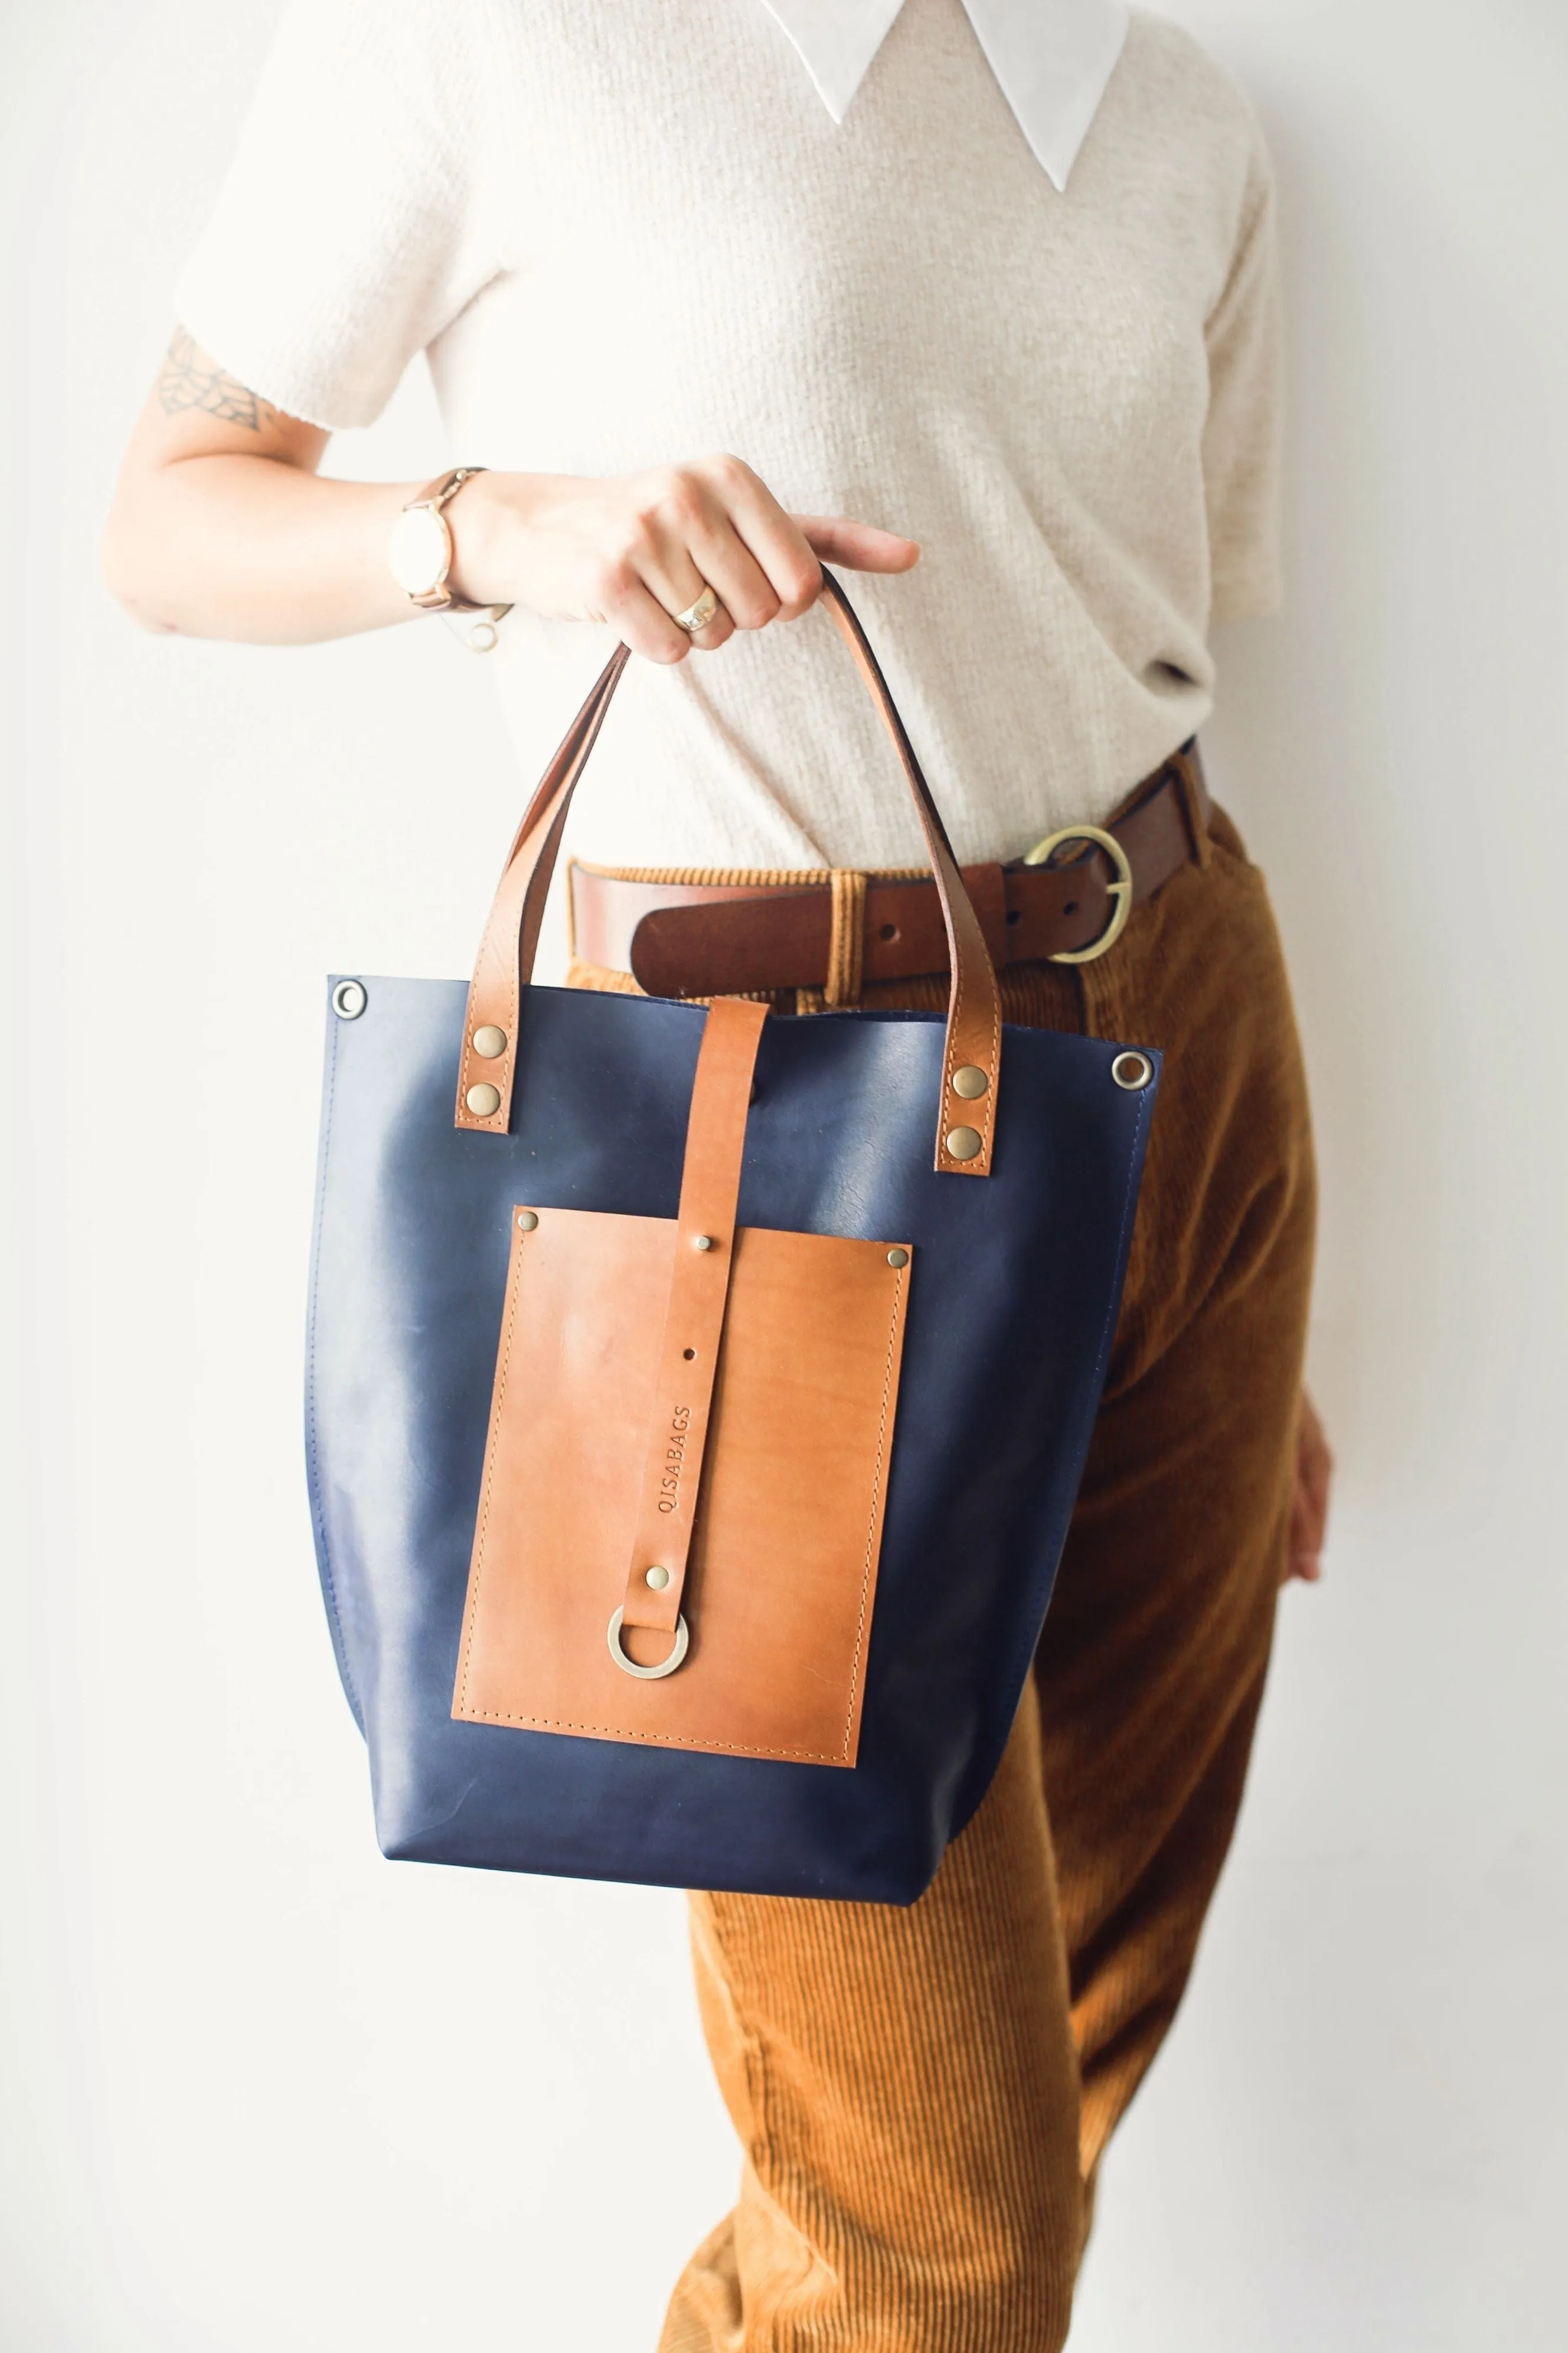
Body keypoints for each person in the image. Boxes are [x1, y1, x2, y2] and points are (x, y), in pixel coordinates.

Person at [104, 2, 1332, 2342]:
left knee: (1072, 2055)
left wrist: (1206, 1299)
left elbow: (1143, 653)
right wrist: (497, 528)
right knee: (942, 2224)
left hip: (1178, 1070)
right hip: (756, 1146)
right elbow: (165, 515)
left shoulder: (1174, 105)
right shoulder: (487, 39)